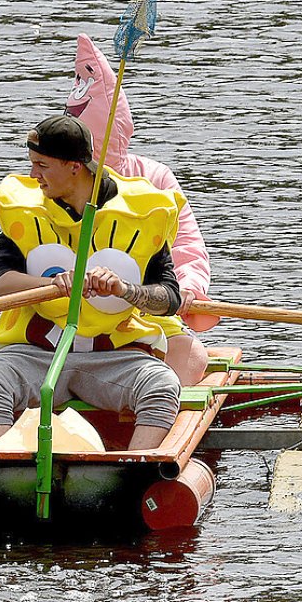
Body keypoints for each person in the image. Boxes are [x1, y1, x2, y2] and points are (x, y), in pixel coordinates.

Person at [0, 113, 186, 451]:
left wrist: (124, 290)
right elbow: (1, 282)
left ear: (75, 166)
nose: (33, 175)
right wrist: (53, 283)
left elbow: (169, 298)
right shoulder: (25, 210)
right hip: (34, 353)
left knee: (162, 385)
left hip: (113, 356)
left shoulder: (144, 215)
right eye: (32, 164)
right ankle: (0, 463)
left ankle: (137, 471)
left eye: (42, 165)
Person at [66, 33, 216, 385]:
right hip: (68, 314)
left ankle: (156, 409)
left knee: (191, 356)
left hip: (146, 309)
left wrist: (187, 288)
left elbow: (186, 246)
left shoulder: (154, 178)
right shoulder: (52, 180)